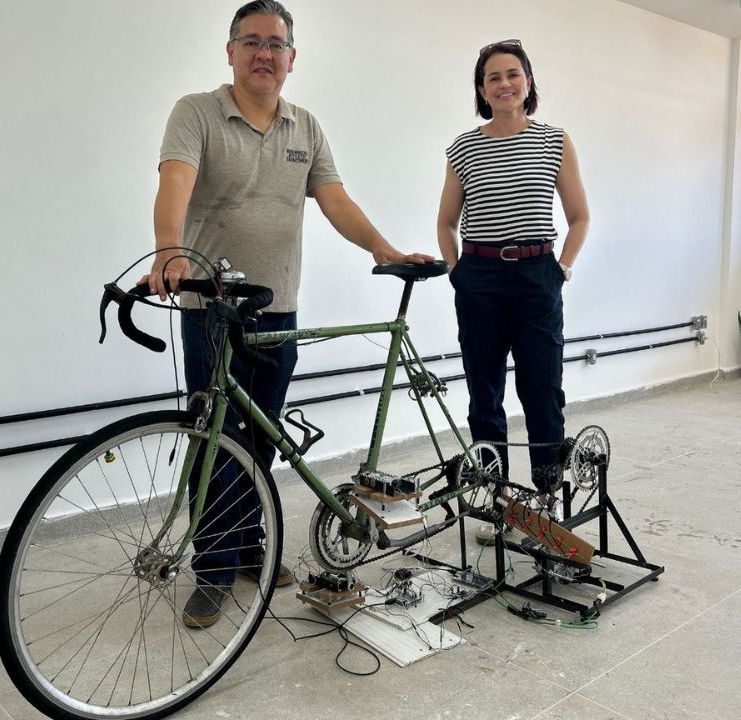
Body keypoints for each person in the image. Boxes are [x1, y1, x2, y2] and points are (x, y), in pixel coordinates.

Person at [138, 1, 432, 627]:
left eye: (276, 44)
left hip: (281, 311)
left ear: (292, 59)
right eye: (251, 41)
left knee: (262, 440)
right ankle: (213, 572)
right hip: (213, 310)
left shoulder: (306, 127)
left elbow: (334, 198)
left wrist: (384, 250)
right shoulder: (196, 112)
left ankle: (248, 548)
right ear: (230, 51)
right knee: (216, 443)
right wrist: (169, 252)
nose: (263, 53)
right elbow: (175, 182)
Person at [435, 39, 590, 545]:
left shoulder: (554, 140)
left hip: (536, 276)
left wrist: (560, 268)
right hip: (478, 276)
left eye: (512, 74)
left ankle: (544, 509)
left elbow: (579, 216)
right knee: (485, 393)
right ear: (482, 89)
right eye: (493, 77)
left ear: (528, 82)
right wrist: (458, 271)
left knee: (542, 391)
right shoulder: (462, 147)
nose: (504, 84)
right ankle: (498, 503)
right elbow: (445, 223)